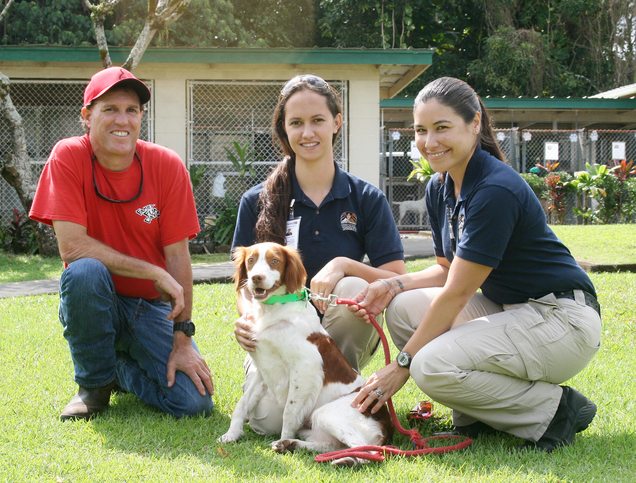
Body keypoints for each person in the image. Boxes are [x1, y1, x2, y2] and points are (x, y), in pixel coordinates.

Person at [349, 77, 601, 452]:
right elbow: (447, 269)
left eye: (442, 128)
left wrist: (400, 365)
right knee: (402, 310)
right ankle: (477, 415)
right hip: (512, 310)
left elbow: (458, 292)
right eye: (421, 130)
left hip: (561, 319)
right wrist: (392, 285)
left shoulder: (494, 189)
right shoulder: (440, 186)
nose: (429, 142)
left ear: (475, 124)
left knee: (427, 365)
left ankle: (554, 411)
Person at [29, 67, 214, 421]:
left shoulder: (167, 165)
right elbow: (72, 248)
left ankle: (119, 371)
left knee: (194, 404)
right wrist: (151, 271)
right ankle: (94, 387)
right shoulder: (68, 155)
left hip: (150, 308)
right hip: (96, 303)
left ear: (141, 116)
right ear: (87, 116)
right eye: (110, 109)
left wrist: (183, 340)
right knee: (84, 273)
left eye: (132, 110)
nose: (122, 120)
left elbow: (178, 256)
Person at [231, 74, 405, 435]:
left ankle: (340, 396)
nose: (307, 132)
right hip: (280, 333)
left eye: (317, 121)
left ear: (336, 122)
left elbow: (394, 274)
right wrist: (249, 318)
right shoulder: (256, 201)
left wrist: (342, 265)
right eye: (296, 123)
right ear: (284, 128)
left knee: (355, 281)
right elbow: (245, 284)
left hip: (336, 330)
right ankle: (304, 403)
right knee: (267, 422)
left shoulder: (366, 198)